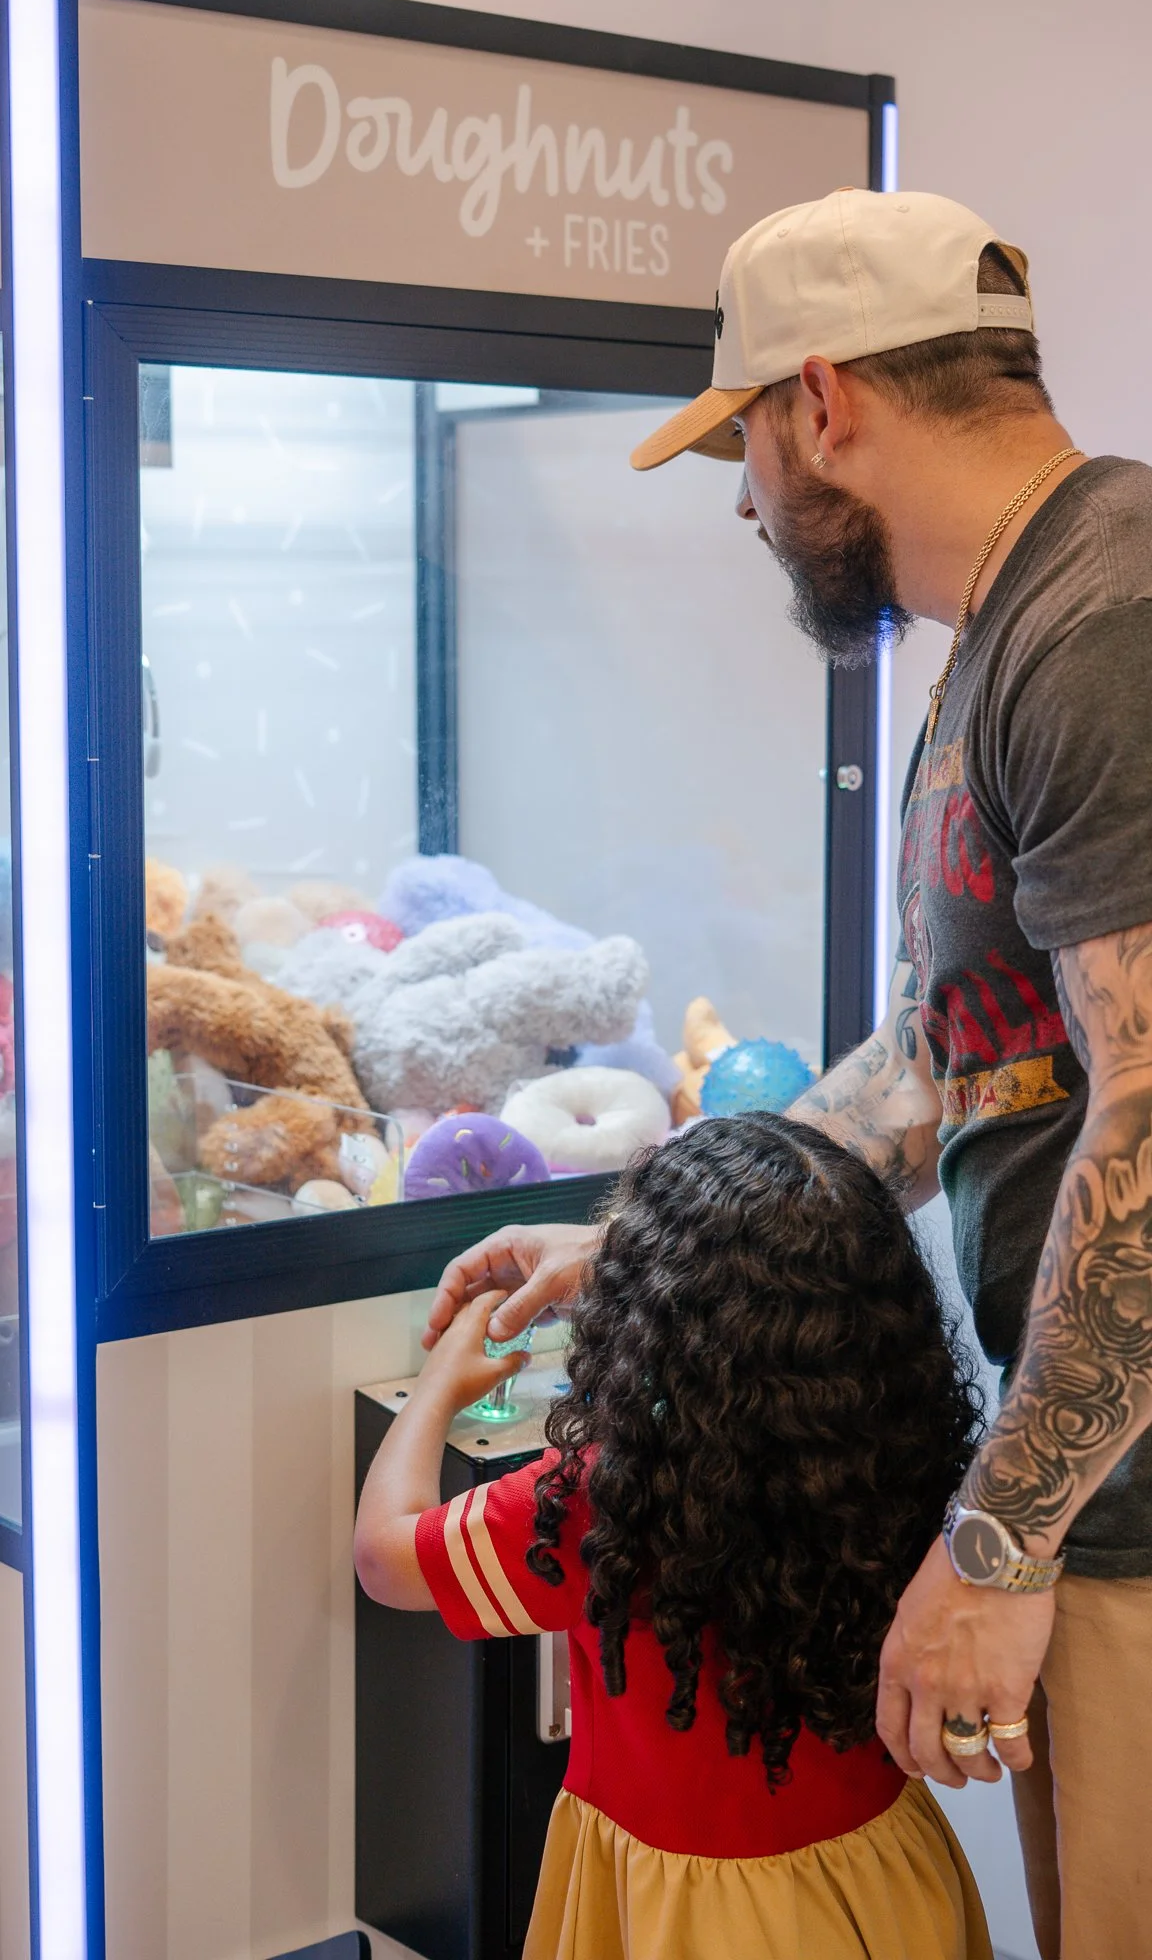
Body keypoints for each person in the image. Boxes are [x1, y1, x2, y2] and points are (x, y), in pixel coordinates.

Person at [425, 188, 1152, 1959]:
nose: (749, 497)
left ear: (824, 401)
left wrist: (992, 1546)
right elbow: (960, 1044)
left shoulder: (1103, 634)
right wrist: (679, 1230)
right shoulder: (1011, 632)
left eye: (744, 444)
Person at [357, 1114, 992, 1960]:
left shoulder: (606, 1500)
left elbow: (385, 1558)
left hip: (683, 1919)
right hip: (879, 1879)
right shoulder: (904, 1459)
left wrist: (438, 1383)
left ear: (649, 1307)